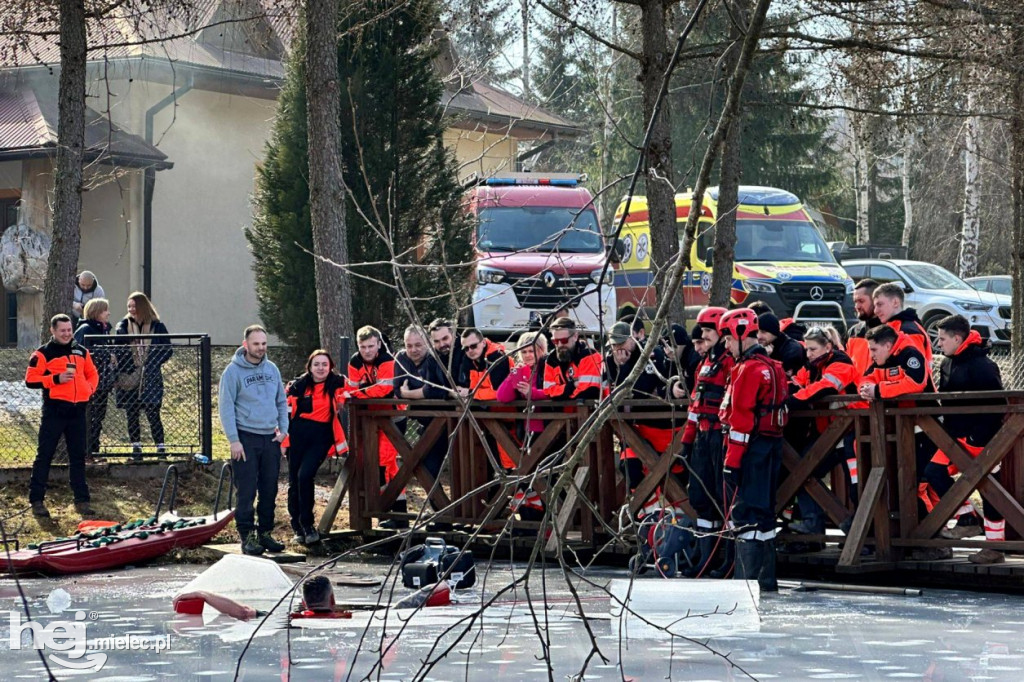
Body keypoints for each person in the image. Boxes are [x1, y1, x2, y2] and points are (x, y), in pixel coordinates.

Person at [923, 315, 1006, 564]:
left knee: (989, 489)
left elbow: (997, 405)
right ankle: (968, 517)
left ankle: (995, 547)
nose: (939, 344)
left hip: (982, 439)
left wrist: (977, 436)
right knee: (933, 472)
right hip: (954, 437)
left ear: (957, 338)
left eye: (943, 338)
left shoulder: (983, 365)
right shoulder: (947, 363)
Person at [718, 308, 788, 592]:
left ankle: (744, 583)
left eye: (727, 339)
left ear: (739, 335)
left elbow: (741, 421)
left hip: (751, 450)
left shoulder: (747, 370)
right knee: (765, 514)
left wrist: (731, 462)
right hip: (771, 446)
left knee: (745, 514)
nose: (725, 345)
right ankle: (765, 579)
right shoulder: (774, 366)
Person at [219, 324, 289, 556]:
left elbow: (281, 401)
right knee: (247, 490)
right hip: (245, 438)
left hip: (270, 438)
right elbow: (226, 407)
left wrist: (283, 431)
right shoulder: (232, 372)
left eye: (264, 344)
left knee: (269, 489)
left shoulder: (272, 369)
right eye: (256, 344)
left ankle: (265, 533)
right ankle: (247, 535)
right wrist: (233, 440)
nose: (260, 348)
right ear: (245, 344)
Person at [784, 326, 859, 538]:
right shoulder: (813, 367)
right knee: (803, 471)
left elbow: (826, 387)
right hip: (828, 434)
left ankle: (863, 532)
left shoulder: (841, 362)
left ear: (828, 347)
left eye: (813, 349)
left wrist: (791, 401)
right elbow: (797, 383)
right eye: (807, 350)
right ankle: (814, 522)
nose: (808, 354)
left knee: (856, 485)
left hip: (850, 433)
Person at [25, 314, 100, 518]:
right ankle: (37, 500)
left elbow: (93, 373)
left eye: (69, 330)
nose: (67, 334)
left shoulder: (81, 351)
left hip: (77, 412)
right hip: (54, 412)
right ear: (53, 331)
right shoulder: (43, 354)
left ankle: (82, 500)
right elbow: (30, 380)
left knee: (77, 457)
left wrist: (88, 388)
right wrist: (55, 379)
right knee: (45, 456)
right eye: (62, 330)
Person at [679, 307, 734, 578]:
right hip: (702, 436)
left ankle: (728, 561)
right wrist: (686, 442)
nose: (703, 336)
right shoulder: (704, 363)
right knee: (701, 498)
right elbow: (694, 405)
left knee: (725, 498)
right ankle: (705, 558)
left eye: (708, 331)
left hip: (721, 437)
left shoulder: (729, 361)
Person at [604, 321, 677, 517]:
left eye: (621, 343)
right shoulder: (610, 360)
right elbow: (614, 393)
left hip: (659, 423)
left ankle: (658, 513)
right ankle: (645, 513)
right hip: (631, 427)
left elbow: (642, 388)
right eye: (614, 345)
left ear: (632, 338)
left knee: (666, 472)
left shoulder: (650, 353)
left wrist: (626, 368)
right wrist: (620, 368)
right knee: (629, 466)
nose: (618, 349)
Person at [283, 349, 349, 545]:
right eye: (317, 364)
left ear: (330, 367)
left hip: (321, 436)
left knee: (305, 475)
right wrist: (284, 442)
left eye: (324, 365)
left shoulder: (337, 383)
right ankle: (297, 527)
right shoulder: (297, 387)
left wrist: (343, 400)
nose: (321, 368)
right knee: (295, 481)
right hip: (297, 435)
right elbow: (284, 413)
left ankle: (308, 524)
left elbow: (352, 390)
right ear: (310, 367)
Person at [347, 325, 406, 529]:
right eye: (363, 346)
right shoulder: (355, 361)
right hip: (370, 418)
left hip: (393, 417)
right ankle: (394, 514)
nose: (367, 350)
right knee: (386, 466)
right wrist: (361, 392)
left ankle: (387, 511)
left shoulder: (387, 360)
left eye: (371, 346)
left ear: (379, 344)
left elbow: (384, 389)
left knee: (384, 460)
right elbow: (351, 388)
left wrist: (361, 393)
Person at [496, 331, 549, 521]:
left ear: (541, 351)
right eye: (524, 352)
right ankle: (529, 518)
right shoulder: (523, 370)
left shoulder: (548, 367)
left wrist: (532, 393)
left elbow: (554, 392)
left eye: (531, 351)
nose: (527, 356)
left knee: (539, 475)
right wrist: (514, 375)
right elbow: (502, 397)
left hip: (548, 430)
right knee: (525, 476)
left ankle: (545, 518)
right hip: (525, 431)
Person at [114, 292, 172, 461]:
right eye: (129, 306)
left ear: (143, 307)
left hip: (150, 375)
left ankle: (160, 447)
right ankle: (136, 447)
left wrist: (153, 362)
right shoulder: (123, 326)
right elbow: (119, 349)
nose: (131, 310)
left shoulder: (157, 326)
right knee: (132, 412)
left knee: (153, 412)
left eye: (134, 306)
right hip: (130, 373)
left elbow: (168, 349)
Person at [394, 325, 451, 482]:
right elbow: (397, 389)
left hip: (449, 421)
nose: (413, 350)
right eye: (409, 345)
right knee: (426, 471)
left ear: (427, 342)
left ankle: (456, 506)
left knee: (462, 470)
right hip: (425, 423)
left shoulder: (435, 358)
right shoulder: (401, 358)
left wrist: (409, 393)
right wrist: (414, 392)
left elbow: (437, 391)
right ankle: (439, 506)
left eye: (418, 345)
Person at [173, 575, 340, 620]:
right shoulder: (352, 618)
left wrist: (201, 594)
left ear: (303, 603)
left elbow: (243, 611)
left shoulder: (288, 619)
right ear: (332, 600)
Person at [74, 298, 115, 458]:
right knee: (89, 417)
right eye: (105, 310)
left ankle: (94, 449)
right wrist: (106, 355)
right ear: (96, 312)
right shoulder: (85, 329)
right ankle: (86, 450)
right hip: (88, 381)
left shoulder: (104, 330)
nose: (108, 313)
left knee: (98, 417)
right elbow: (80, 351)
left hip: (102, 381)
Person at [872, 282, 934, 384]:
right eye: (875, 306)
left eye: (879, 304)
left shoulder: (909, 330)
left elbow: (916, 374)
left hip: (912, 397)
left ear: (895, 302)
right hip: (897, 393)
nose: (875, 311)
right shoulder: (899, 327)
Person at [543, 317, 603, 401]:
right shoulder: (551, 360)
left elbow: (588, 392)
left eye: (564, 340)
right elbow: (549, 392)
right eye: (555, 341)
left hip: (590, 410)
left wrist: (562, 394)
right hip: (565, 412)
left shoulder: (590, 355)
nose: (560, 345)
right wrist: (572, 385)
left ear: (575, 336)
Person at [756, 313, 806, 381]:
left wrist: (766, 358)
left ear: (774, 332)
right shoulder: (759, 346)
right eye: (756, 332)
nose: (758, 336)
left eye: (763, 332)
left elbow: (780, 380)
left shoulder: (792, 350)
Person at [427, 318, 465, 388]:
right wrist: (449, 393)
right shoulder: (432, 356)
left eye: (445, 338)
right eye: (436, 341)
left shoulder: (467, 349)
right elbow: (430, 389)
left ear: (454, 335)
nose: (441, 344)